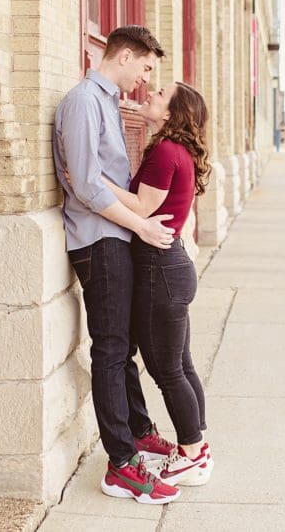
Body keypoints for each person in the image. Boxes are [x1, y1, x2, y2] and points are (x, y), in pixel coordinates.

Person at [53, 26, 181, 505]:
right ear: (124, 56)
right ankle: (121, 465)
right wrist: (142, 225)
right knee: (110, 348)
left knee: (122, 345)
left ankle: (139, 431)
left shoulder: (106, 101)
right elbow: (85, 185)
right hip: (98, 241)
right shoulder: (85, 101)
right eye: (145, 67)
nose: (146, 80)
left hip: (114, 234)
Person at [100, 80, 214, 487]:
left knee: (167, 372)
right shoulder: (176, 150)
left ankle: (191, 454)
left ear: (170, 113)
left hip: (160, 271)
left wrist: (94, 182)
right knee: (180, 365)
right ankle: (197, 450)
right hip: (173, 269)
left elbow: (143, 207)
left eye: (160, 94)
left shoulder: (166, 150)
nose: (151, 93)